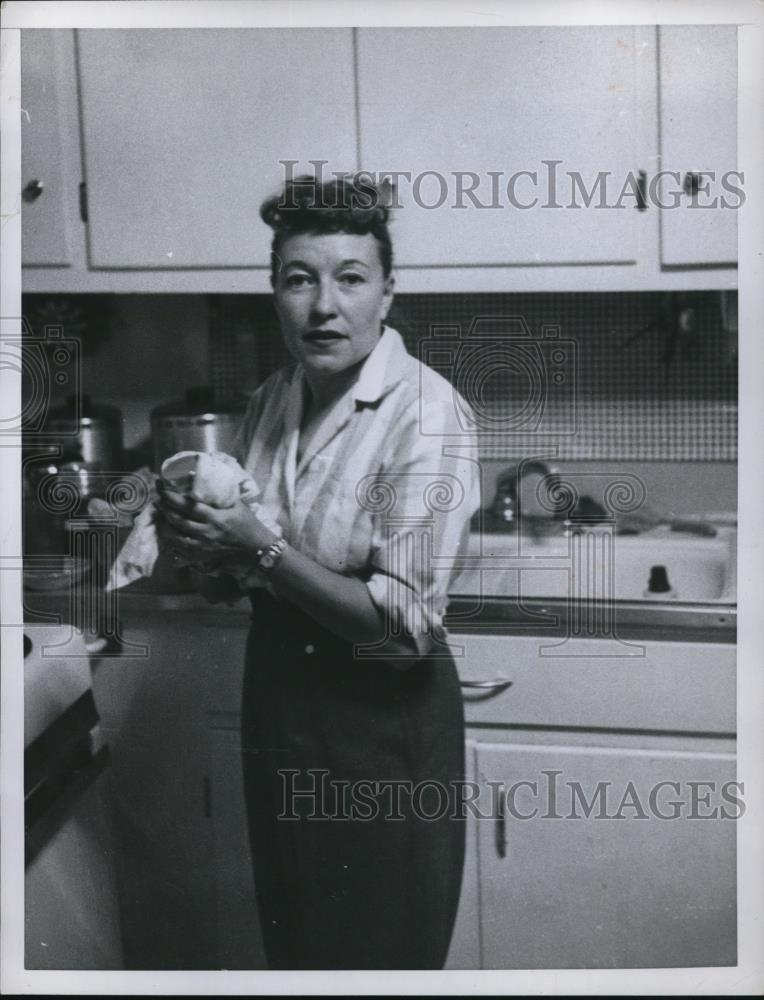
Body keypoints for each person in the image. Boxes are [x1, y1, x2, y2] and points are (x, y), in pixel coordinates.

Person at [158, 175, 481, 970]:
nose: (323, 305)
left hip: (381, 725)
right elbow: (240, 568)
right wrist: (200, 543)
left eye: (350, 277)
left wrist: (257, 547)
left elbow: (402, 630)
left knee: (382, 956)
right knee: (297, 950)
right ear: (275, 294)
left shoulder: (426, 414)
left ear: (387, 292)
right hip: (281, 705)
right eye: (299, 279)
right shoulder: (273, 400)